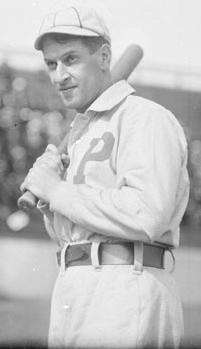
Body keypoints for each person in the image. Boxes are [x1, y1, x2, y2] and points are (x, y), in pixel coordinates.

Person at [21, 4, 190, 348]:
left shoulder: (144, 117)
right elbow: (79, 229)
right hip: (74, 289)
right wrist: (49, 195)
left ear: (104, 57)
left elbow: (147, 213)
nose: (59, 75)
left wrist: (57, 191)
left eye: (70, 59)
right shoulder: (81, 133)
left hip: (126, 288)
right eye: (51, 64)